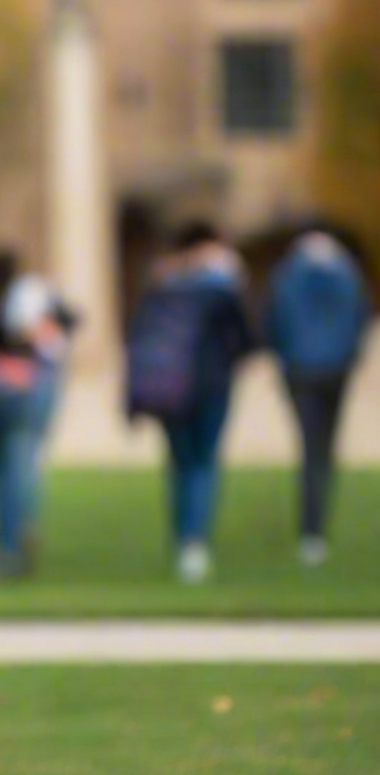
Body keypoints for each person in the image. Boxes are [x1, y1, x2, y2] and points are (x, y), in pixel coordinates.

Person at [126, 222, 255, 583]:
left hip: (168, 387)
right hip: (211, 386)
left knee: (179, 463)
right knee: (203, 463)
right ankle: (194, 544)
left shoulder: (162, 284)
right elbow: (247, 338)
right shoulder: (219, 287)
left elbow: (139, 339)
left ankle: (182, 535)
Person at [0, 252, 77, 577]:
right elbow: (66, 325)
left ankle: (6, 545)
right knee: (21, 468)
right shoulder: (33, 292)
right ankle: (18, 534)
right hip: (25, 387)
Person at [265, 224, 371, 566]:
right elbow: (360, 318)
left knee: (310, 447)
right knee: (324, 447)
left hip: (300, 370)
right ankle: (316, 528)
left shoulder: (288, 275)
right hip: (335, 370)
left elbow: (275, 321)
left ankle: (311, 532)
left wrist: (282, 358)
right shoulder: (347, 273)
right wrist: (352, 355)